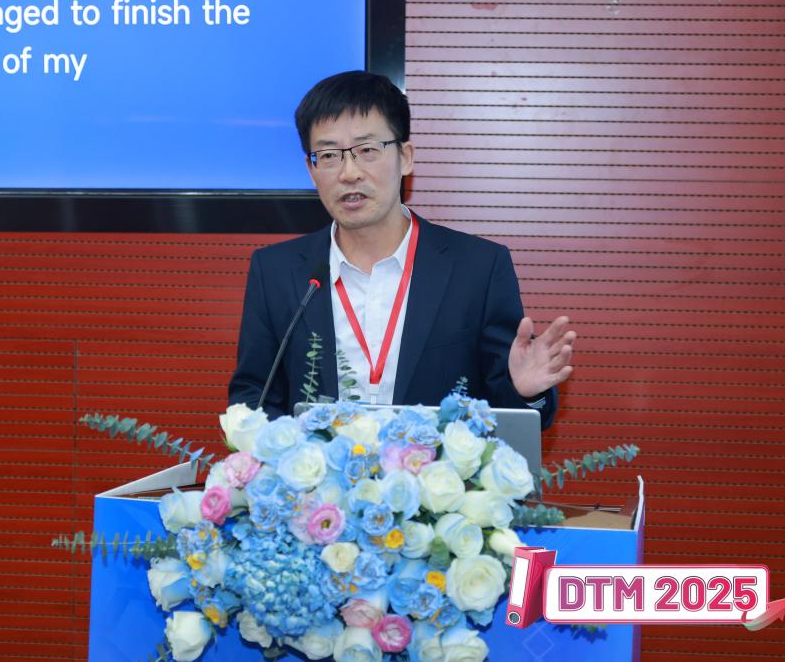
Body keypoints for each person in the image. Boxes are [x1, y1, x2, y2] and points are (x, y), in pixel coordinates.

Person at [229, 70, 575, 429]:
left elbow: (513, 418)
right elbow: (253, 397)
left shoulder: (478, 268)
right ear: (311, 169)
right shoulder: (277, 271)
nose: (349, 173)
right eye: (329, 155)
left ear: (405, 157)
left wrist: (524, 391)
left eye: (367, 150)